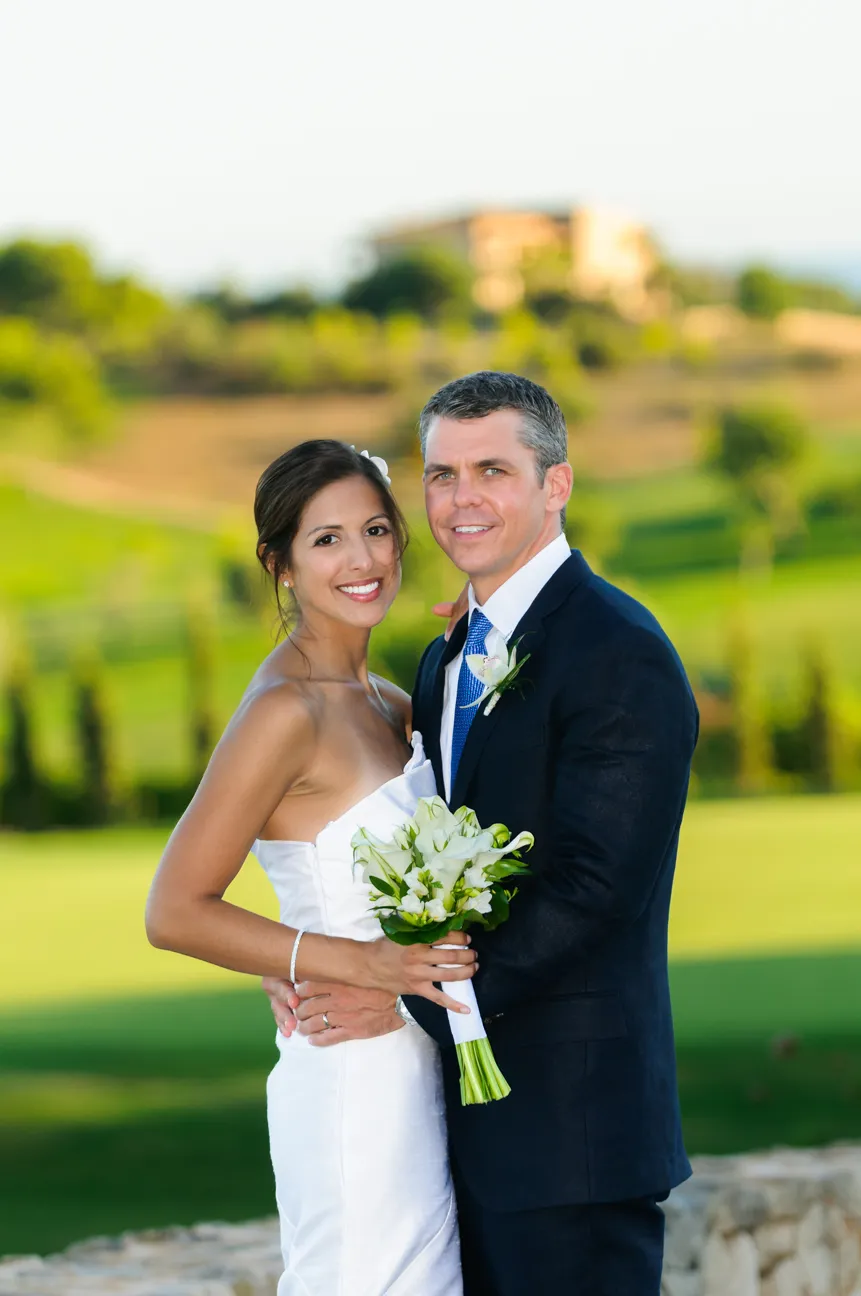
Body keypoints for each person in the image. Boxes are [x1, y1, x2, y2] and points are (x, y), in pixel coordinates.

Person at [265, 371, 700, 1295]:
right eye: (441, 474)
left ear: (556, 485)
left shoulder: (616, 649)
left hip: (570, 1133)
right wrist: (313, 952)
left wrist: (405, 997)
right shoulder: (446, 654)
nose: (461, 499)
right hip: (452, 1126)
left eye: (492, 470)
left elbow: (591, 891)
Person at [146, 439, 476, 1295]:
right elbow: (175, 909)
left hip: (417, 1066)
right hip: (349, 1085)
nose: (361, 559)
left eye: (374, 529)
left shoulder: (393, 702)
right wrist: (351, 962)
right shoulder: (282, 713)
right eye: (325, 540)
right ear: (280, 564)